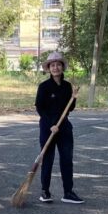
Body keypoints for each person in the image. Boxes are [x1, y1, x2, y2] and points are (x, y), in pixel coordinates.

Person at [35, 51, 83, 204]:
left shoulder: (67, 86)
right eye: (52, 65)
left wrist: (73, 98)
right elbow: (40, 108)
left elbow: (70, 108)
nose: (55, 68)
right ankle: (45, 191)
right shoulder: (44, 87)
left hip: (64, 127)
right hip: (47, 127)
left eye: (58, 65)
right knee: (48, 159)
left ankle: (68, 192)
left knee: (67, 159)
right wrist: (51, 125)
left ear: (62, 67)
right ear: (49, 68)